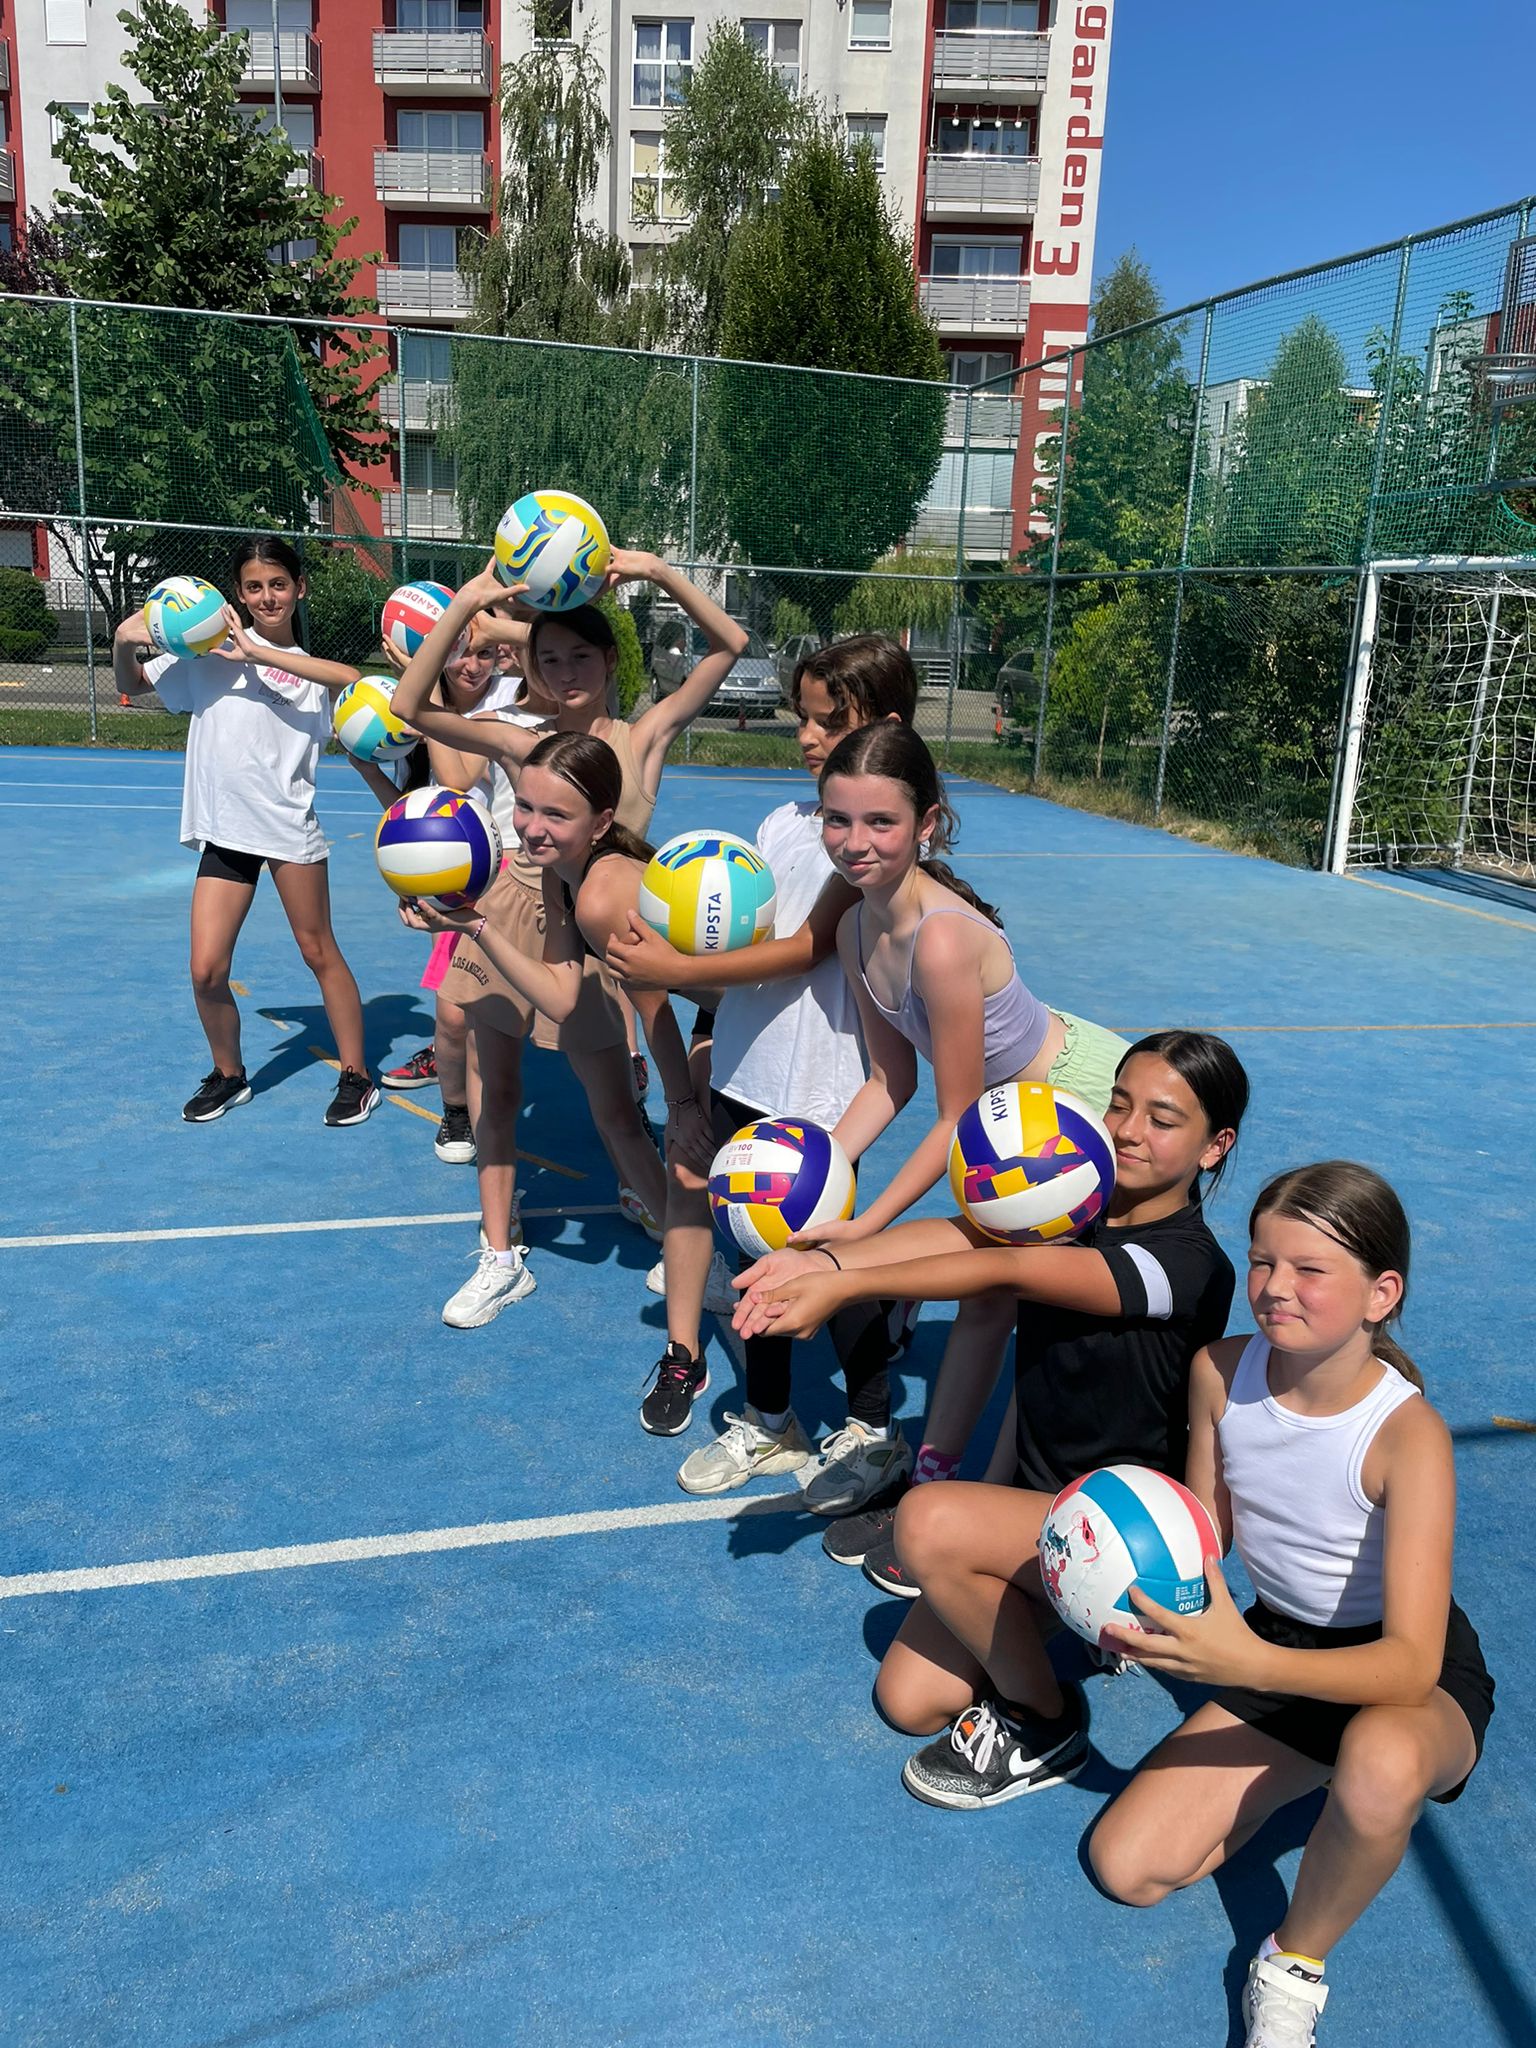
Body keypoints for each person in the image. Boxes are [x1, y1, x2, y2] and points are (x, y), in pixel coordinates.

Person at [731, 1031, 1248, 1806]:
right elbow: (968, 1232)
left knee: (930, 1521)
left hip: (1130, 1536)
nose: (1129, 1129)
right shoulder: (1079, 1202)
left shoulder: (1185, 1264)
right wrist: (828, 1262)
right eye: (1120, 1104)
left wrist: (845, 1289)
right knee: (909, 1700)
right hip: (1044, 1513)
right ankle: (1074, 1625)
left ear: (1216, 1147)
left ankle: (1045, 1722)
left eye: (1163, 1118)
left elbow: (1008, 1265)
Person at [1087, 1161, 1493, 2048]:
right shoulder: (1219, 1372)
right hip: (1279, 1648)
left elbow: (1413, 1662)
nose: (1274, 1289)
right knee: (1128, 1867)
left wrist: (1240, 1664)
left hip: (1399, 1673)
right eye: (1263, 1261)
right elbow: (1206, 1537)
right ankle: (1319, 1771)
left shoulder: (1406, 1434)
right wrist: (1116, 1578)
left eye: (1310, 1270)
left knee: (1381, 1762)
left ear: (1381, 1293)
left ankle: (1294, 1961)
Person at [784, 722, 1130, 1546]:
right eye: (838, 820)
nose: (854, 842)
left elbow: (953, 1116)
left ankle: (974, 1505)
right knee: (988, 1298)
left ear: (927, 825)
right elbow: (887, 1081)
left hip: (1073, 1106)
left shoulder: (941, 939)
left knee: (1017, 1306)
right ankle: (940, 1488)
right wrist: (815, 1172)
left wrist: (867, 1226)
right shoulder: (854, 928)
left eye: (880, 823)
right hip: (1004, 1121)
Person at [389, 552, 745, 1330]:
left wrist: (654, 571)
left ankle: (687, 1243)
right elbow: (411, 707)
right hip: (509, 910)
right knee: (498, 1095)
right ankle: (499, 1255)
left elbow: (729, 645)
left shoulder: (641, 735)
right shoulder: (527, 743)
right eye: (547, 659)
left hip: (598, 939)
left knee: (616, 1111)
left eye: (581, 655)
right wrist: (471, 602)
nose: (565, 671)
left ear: (611, 659)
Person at [610, 637, 922, 1494]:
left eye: (833, 720)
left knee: (824, 1262)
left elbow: (805, 947)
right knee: (753, 1255)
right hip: (746, 1074)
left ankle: (869, 1427)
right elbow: (738, 936)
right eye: (804, 717)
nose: (808, 736)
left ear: (886, 727)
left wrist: (669, 975)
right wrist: (706, 1026)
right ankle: (773, 1420)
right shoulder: (789, 824)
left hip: (819, 1090)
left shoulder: (865, 843)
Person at [410, 732, 722, 1414]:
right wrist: (473, 924)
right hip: (718, 1018)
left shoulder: (605, 896)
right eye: (523, 806)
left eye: (554, 815)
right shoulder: (562, 870)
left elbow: (659, 1010)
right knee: (691, 1167)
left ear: (602, 822)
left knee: (727, 1170)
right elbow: (555, 993)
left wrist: (684, 1104)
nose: (530, 826)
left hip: (737, 1024)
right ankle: (700, 1265)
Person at [112, 538, 378, 1127]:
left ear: (299, 589)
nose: (267, 597)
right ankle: (229, 1074)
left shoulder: (306, 671)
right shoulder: (203, 656)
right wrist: (124, 641)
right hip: (226, 832)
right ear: (238, 594)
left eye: (278, 584)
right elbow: (129, 685)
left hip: (287, 829)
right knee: (206, 969)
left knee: (318, 952)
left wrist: (256, 654)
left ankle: (357, 1075)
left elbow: (351, 676)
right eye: (254, 587)